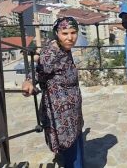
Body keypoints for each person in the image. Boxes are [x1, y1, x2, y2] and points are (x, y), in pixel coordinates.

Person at [22, 17, 84, 168]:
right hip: (60, 111)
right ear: (57, 33)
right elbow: (38, 70)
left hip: (71, 109)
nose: (70, 37)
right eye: (65, 33)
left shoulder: (63, 48)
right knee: (70, 148)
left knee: (75, 141)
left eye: (73, 32)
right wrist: (29, 81)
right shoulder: (51, 52)